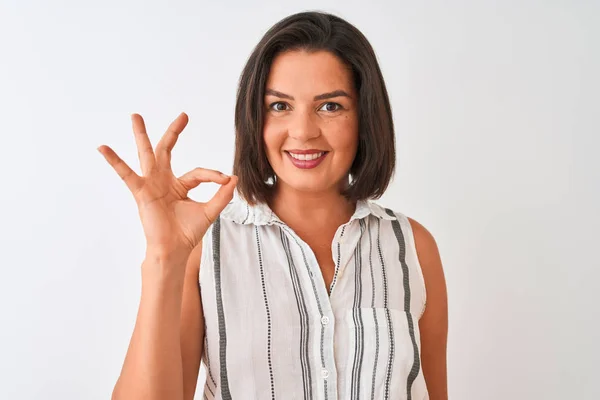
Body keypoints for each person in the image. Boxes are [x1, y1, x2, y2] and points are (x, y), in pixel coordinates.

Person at [99, 11, 448, 400]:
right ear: (255, 117)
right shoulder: (206, 248)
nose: (302, 131)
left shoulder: (413, 248)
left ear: (365, 118)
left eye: (330, 106)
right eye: (280, 106)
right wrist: (164, 256)